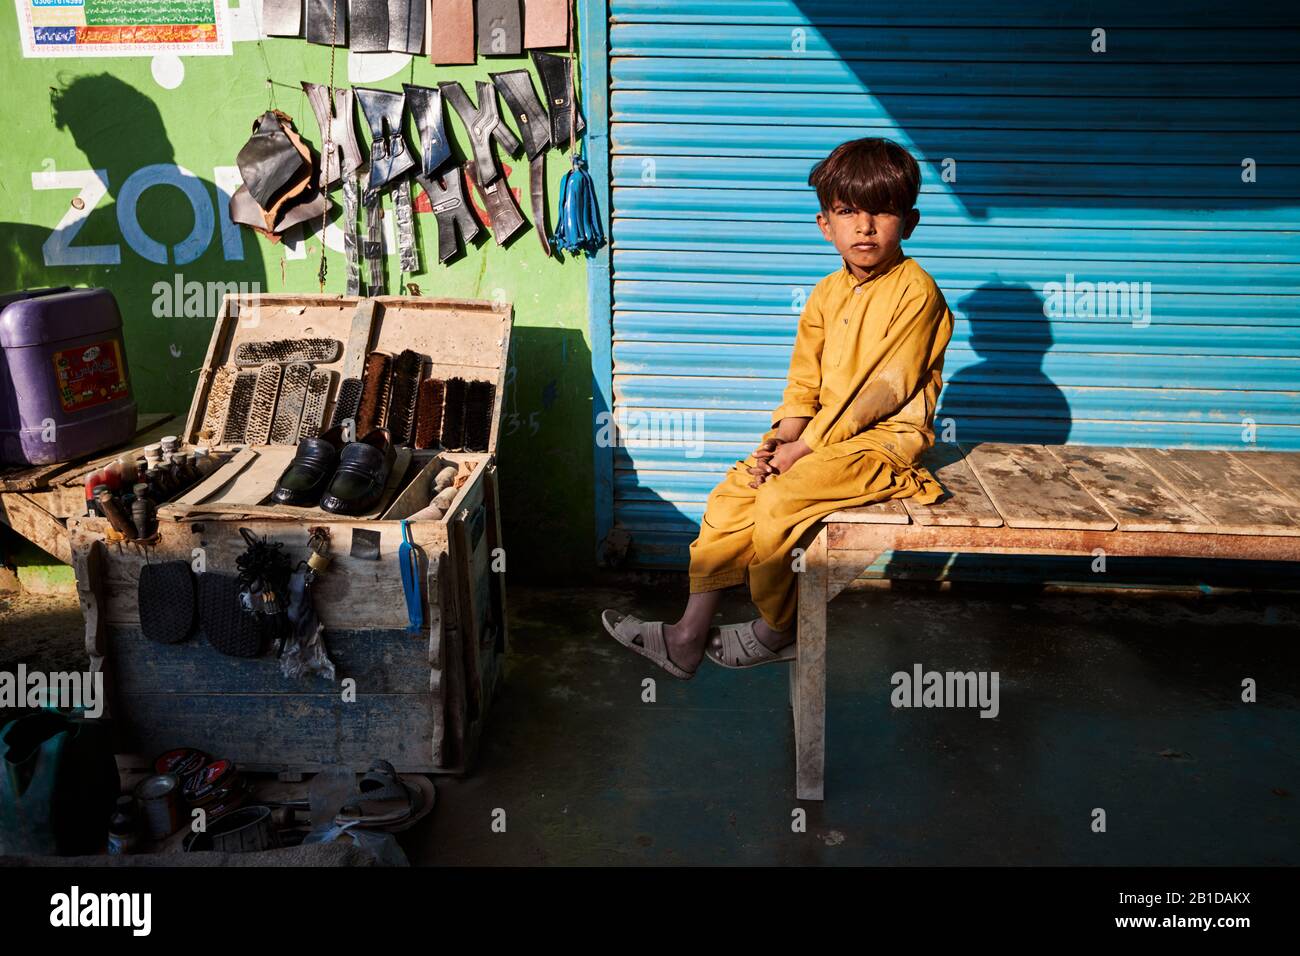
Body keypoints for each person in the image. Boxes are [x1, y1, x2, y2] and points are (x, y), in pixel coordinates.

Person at [602, 138, 955, 678]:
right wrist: (775, 445)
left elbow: (882, 390)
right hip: (815, 439)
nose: (864, 226)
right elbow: (803, 388)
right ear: (824, 225)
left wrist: (804, 449)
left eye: (882, 210)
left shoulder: (916, 292)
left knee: (781, 501)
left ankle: (778, 628)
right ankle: (687, 636)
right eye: (847, 212)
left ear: (909, 222)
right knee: (737, 492)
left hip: (881, 443)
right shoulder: (824, 295)